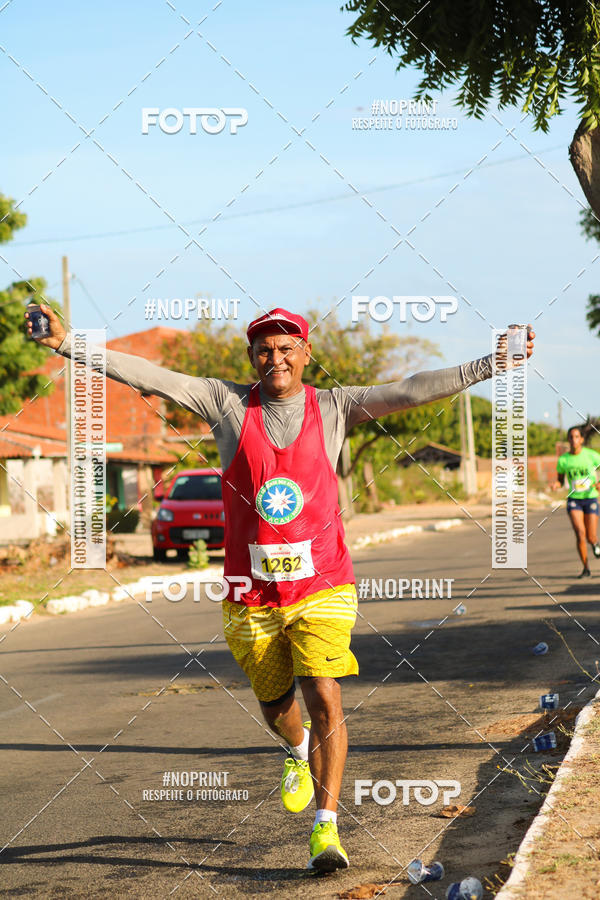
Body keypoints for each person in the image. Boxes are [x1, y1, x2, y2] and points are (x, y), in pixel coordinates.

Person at [27, 304, 535, 872]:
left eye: (288, 347)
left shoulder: (334, 405)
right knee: (277, 705)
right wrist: (70, 344)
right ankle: (295, 752)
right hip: (251, 592)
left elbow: (410, 389)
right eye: (265, 349)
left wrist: (489, 365)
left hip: (324, 583)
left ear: (306, 353)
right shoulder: (225, 403)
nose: (277, 357)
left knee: (325, 692)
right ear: (251, 358)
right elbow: (153, 377)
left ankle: (327, 829)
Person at [552, 425, 600, 577]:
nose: (573, 440)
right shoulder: (563, 460)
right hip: (574, 500)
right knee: (580, 533)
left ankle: (594, 543)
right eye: (571, 437)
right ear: (568, 440)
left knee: (590, 536)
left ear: (582, 439)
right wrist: (556, 485)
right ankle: (586, 568)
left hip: (590, 497)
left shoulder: (591, 455)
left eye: (576, 437)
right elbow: (560, 480)